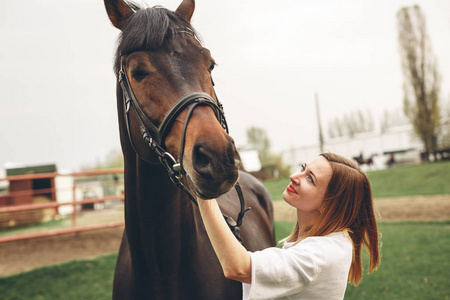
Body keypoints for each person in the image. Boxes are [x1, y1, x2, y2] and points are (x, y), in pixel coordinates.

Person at [197, 152, 380, 300]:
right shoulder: (333, 241)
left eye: (310, 179)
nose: (294, 177)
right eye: (303, 168)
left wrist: (203, 193)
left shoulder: (319, 256)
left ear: (330, 205)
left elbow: (237, 267)